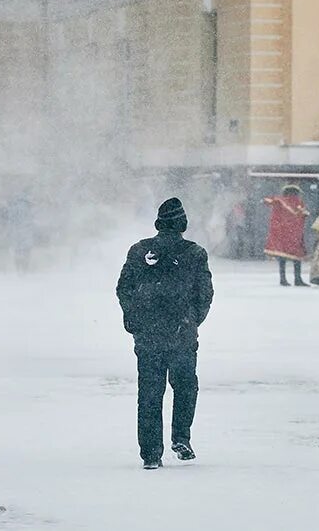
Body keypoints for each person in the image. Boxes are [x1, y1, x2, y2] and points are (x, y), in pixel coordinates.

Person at [116, 198, 213, 470]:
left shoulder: (139, 251)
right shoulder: (194, 253)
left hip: (148, 335)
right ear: (182, 224)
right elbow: (205, 293)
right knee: (185, 387)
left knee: (149, 392)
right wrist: (192, 320)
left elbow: (124, 288)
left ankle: (150, 453)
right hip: (182, 334)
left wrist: (134, 319)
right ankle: (181, 436)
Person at [263, 184, 309, 286]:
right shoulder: (298, 202)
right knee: (297, 258)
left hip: (282, 235)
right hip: (295, 235)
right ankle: (298, 279)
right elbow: (303, 215)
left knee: (282, 258)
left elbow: (268, 201)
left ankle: (283, 279)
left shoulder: (280, 201)